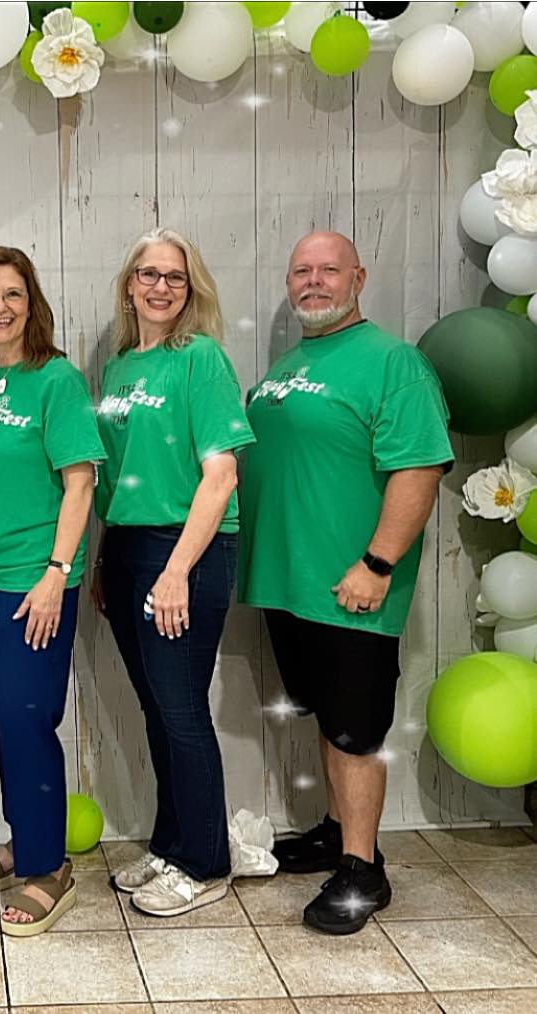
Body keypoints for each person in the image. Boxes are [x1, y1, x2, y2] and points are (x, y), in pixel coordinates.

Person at [238, 230, 453, 935]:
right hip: (288, 584)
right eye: (301, 270)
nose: (313, 281)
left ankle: (361, 869)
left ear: (357, 277)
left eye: (328, 269)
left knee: (355, 731)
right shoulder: (287, 365)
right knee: (327, 719)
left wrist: (377, 564)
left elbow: (417, 468)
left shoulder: (393, 363)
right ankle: (333, 832)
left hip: (353, 587)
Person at [93, 229, 255, 916]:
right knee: (157, 709)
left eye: (175, 278)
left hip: (184, 549)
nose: (160, 287)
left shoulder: (201, 359)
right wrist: (106, 560)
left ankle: (205, 862)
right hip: (128, 550)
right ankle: (170, 842)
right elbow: (115, 481)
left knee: (183, 711)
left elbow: (219, 474)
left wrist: (175, 571)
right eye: (148, 274)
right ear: (129, 284)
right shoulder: (119, 369)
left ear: (191, 291)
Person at [0, 246, 105, 936]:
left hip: (33, 584)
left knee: (26, 719)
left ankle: (47, 869)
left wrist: (54, 574)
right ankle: (26, 836)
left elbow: (80, 483)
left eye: (10, 294)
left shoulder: (56, 380)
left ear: (30, 303)